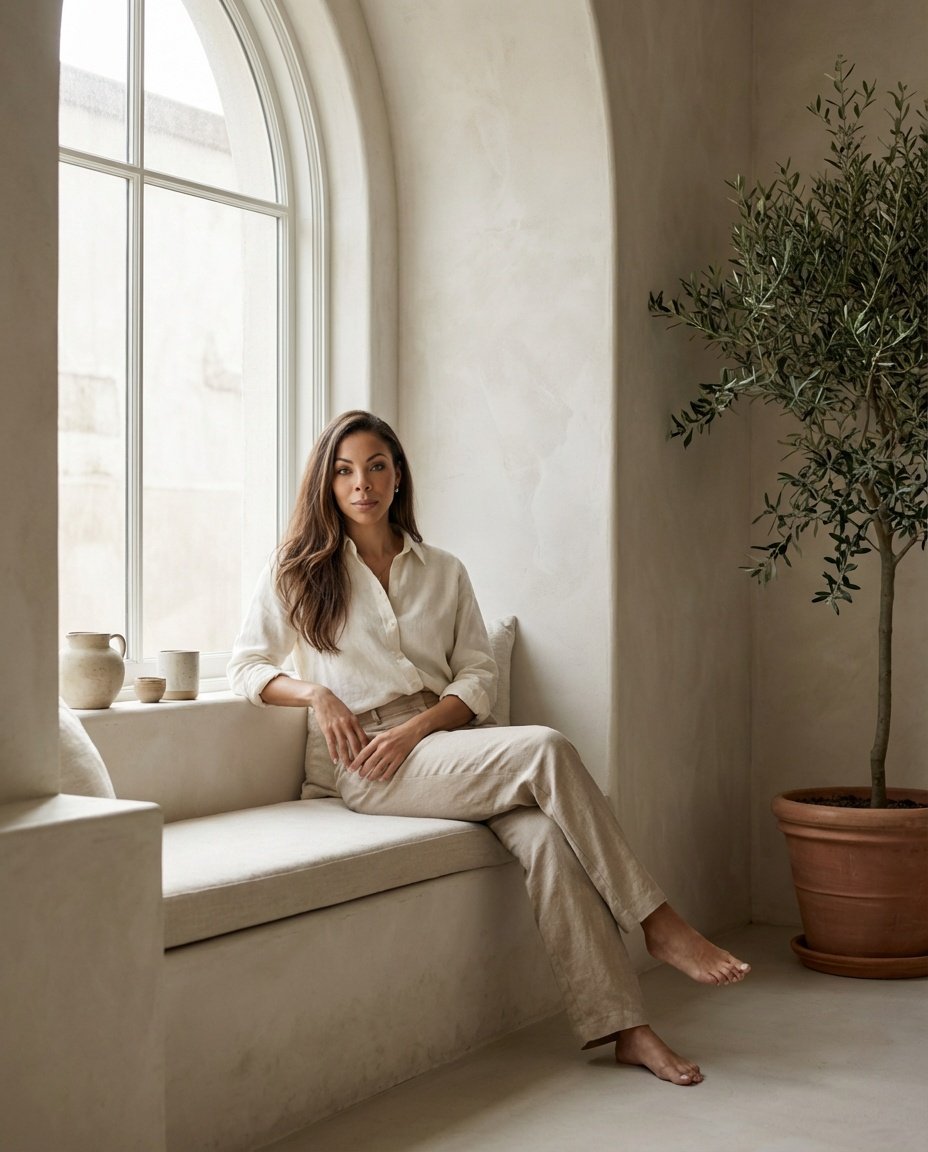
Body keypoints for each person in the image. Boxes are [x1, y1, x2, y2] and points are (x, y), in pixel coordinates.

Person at [229, 409, 750, 1087]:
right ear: (327, 483)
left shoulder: (443, 570)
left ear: (398, 476)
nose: (362, 484)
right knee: (546, 748)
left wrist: (421, 728)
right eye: (345, 469)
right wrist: (317, 697)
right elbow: (246, 667)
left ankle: (627, 1028)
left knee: (546, 839)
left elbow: (477, 673)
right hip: (370, 764)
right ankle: (658, 921)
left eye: (377, 466)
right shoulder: (299, 571)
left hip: (444, 744)